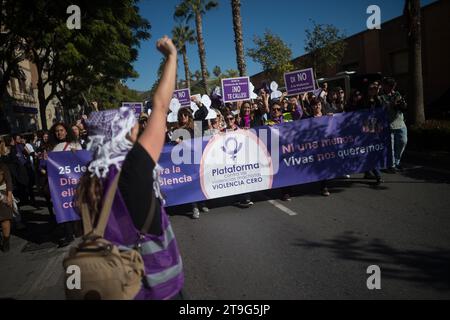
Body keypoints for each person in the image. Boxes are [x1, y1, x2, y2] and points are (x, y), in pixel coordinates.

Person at [76, 36, 183, 300]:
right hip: (158, 285)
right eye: (134, 127)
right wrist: (172, 57)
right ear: (125, 135)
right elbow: (160, 106)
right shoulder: (135, 165)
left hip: (116, 287)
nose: (139, 129)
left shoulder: (90, 175)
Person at [49, 123, 83, 247]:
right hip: (61, 185)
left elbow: (82, 162)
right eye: (57, 131)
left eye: (61, 130)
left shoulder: (75, 144)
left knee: (77, 205)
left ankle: (80, 229)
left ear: (66, 131)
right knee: (64, 207)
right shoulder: (54, 148)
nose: (59, 133)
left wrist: (76, 154)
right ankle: (68, 235)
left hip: (75, 183)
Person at [380, 77, 408, 172]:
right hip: (388, 124)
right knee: (390, 146)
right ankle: (391, 165)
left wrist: (402, 104)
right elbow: (383, 107)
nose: (392, 87)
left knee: (403, 142)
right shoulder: (381, 96)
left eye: (393, 85)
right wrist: (392, 104)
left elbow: (403, 107)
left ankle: (397, 162)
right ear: (384, 85)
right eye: (389, 85)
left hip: (400, 123)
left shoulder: (397, 94)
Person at [0, 162, 14, 252]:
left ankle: (6, 241)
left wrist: (9, 195)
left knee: (5, 219)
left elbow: (9, 180)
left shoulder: (2, 165)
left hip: (2, 194)